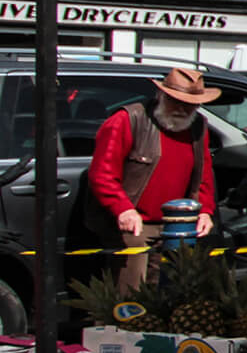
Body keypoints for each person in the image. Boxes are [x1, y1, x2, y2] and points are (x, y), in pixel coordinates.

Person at [86, 67, 220, 290]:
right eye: (176, 101)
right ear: (162, 96)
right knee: (130, 295)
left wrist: (205, 210)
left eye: (190, 104)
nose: (182, 109)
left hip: (176, 223)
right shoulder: (127, 120)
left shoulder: (198, 126)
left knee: (169, 293)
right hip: (134, 224)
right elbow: (102, 173)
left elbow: (204, 174)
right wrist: (123, 209)